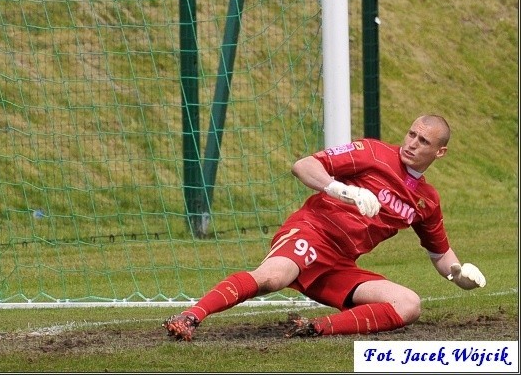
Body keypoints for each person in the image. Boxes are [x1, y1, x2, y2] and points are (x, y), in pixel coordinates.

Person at [163, 114, 486, 341]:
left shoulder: (427, 201)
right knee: (274, 277)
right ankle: (190, 316)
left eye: (423, 140)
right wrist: (343, 190)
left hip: (338, 265)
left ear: (439, 152)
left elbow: (441, 255)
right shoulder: (372, 152)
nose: (412, 143)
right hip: (311, 233)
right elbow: (303, 166)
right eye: (411, 134)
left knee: (409, 304)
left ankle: (315, 327)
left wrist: (458, 276)